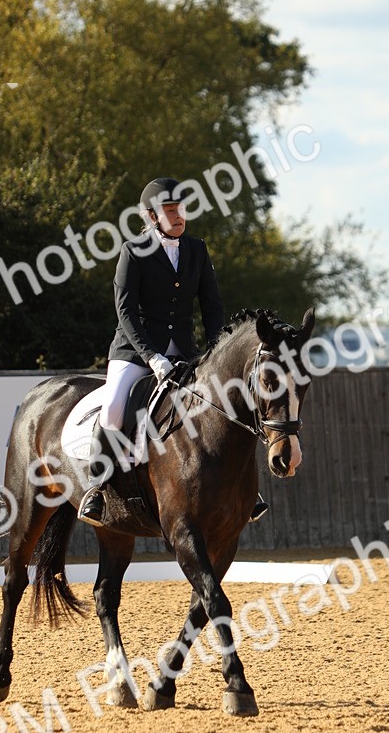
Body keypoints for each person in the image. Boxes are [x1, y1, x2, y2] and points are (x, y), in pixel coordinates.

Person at [77, 176, 269, 527]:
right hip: (135, 352)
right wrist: (151, 355)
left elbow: (212, 306)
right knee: (115, 408)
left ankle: (243, 488)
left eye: (181, 209)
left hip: (185, 351)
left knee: (222, 404)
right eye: (170, 211)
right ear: (152, 216)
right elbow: (126, 312)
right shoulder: (133, 252)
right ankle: (97, 487)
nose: (178, 216)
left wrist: (216, 351)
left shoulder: (197, 249)